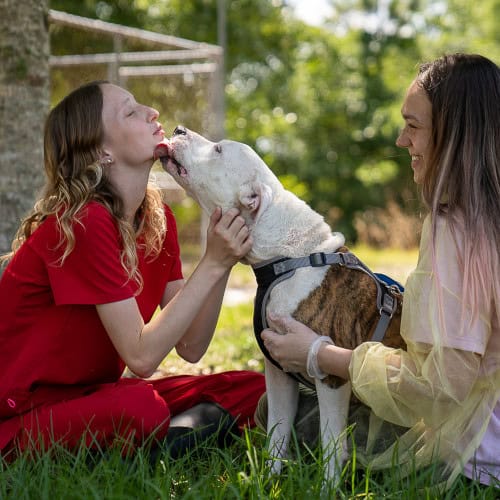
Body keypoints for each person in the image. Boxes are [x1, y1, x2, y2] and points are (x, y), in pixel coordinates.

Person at [257, 53, 499, 488]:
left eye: (414, 125)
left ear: (454, 133)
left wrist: (319, 353)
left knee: (278, 413)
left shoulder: (455, 228)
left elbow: (444, 389)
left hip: (477, 448)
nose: (400, 140)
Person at [0, 81, 265, 460]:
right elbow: (141, 359)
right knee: (141, 406)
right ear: (100, 150)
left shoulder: (157, 220)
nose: (151, 112)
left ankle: (172, 436)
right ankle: (172, 438)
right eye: (130, 111)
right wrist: (213, 263)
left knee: (248, 388)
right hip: (19, 414)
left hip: (92, 396)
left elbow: (191, 346)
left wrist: (221, 259)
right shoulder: (84, 222)